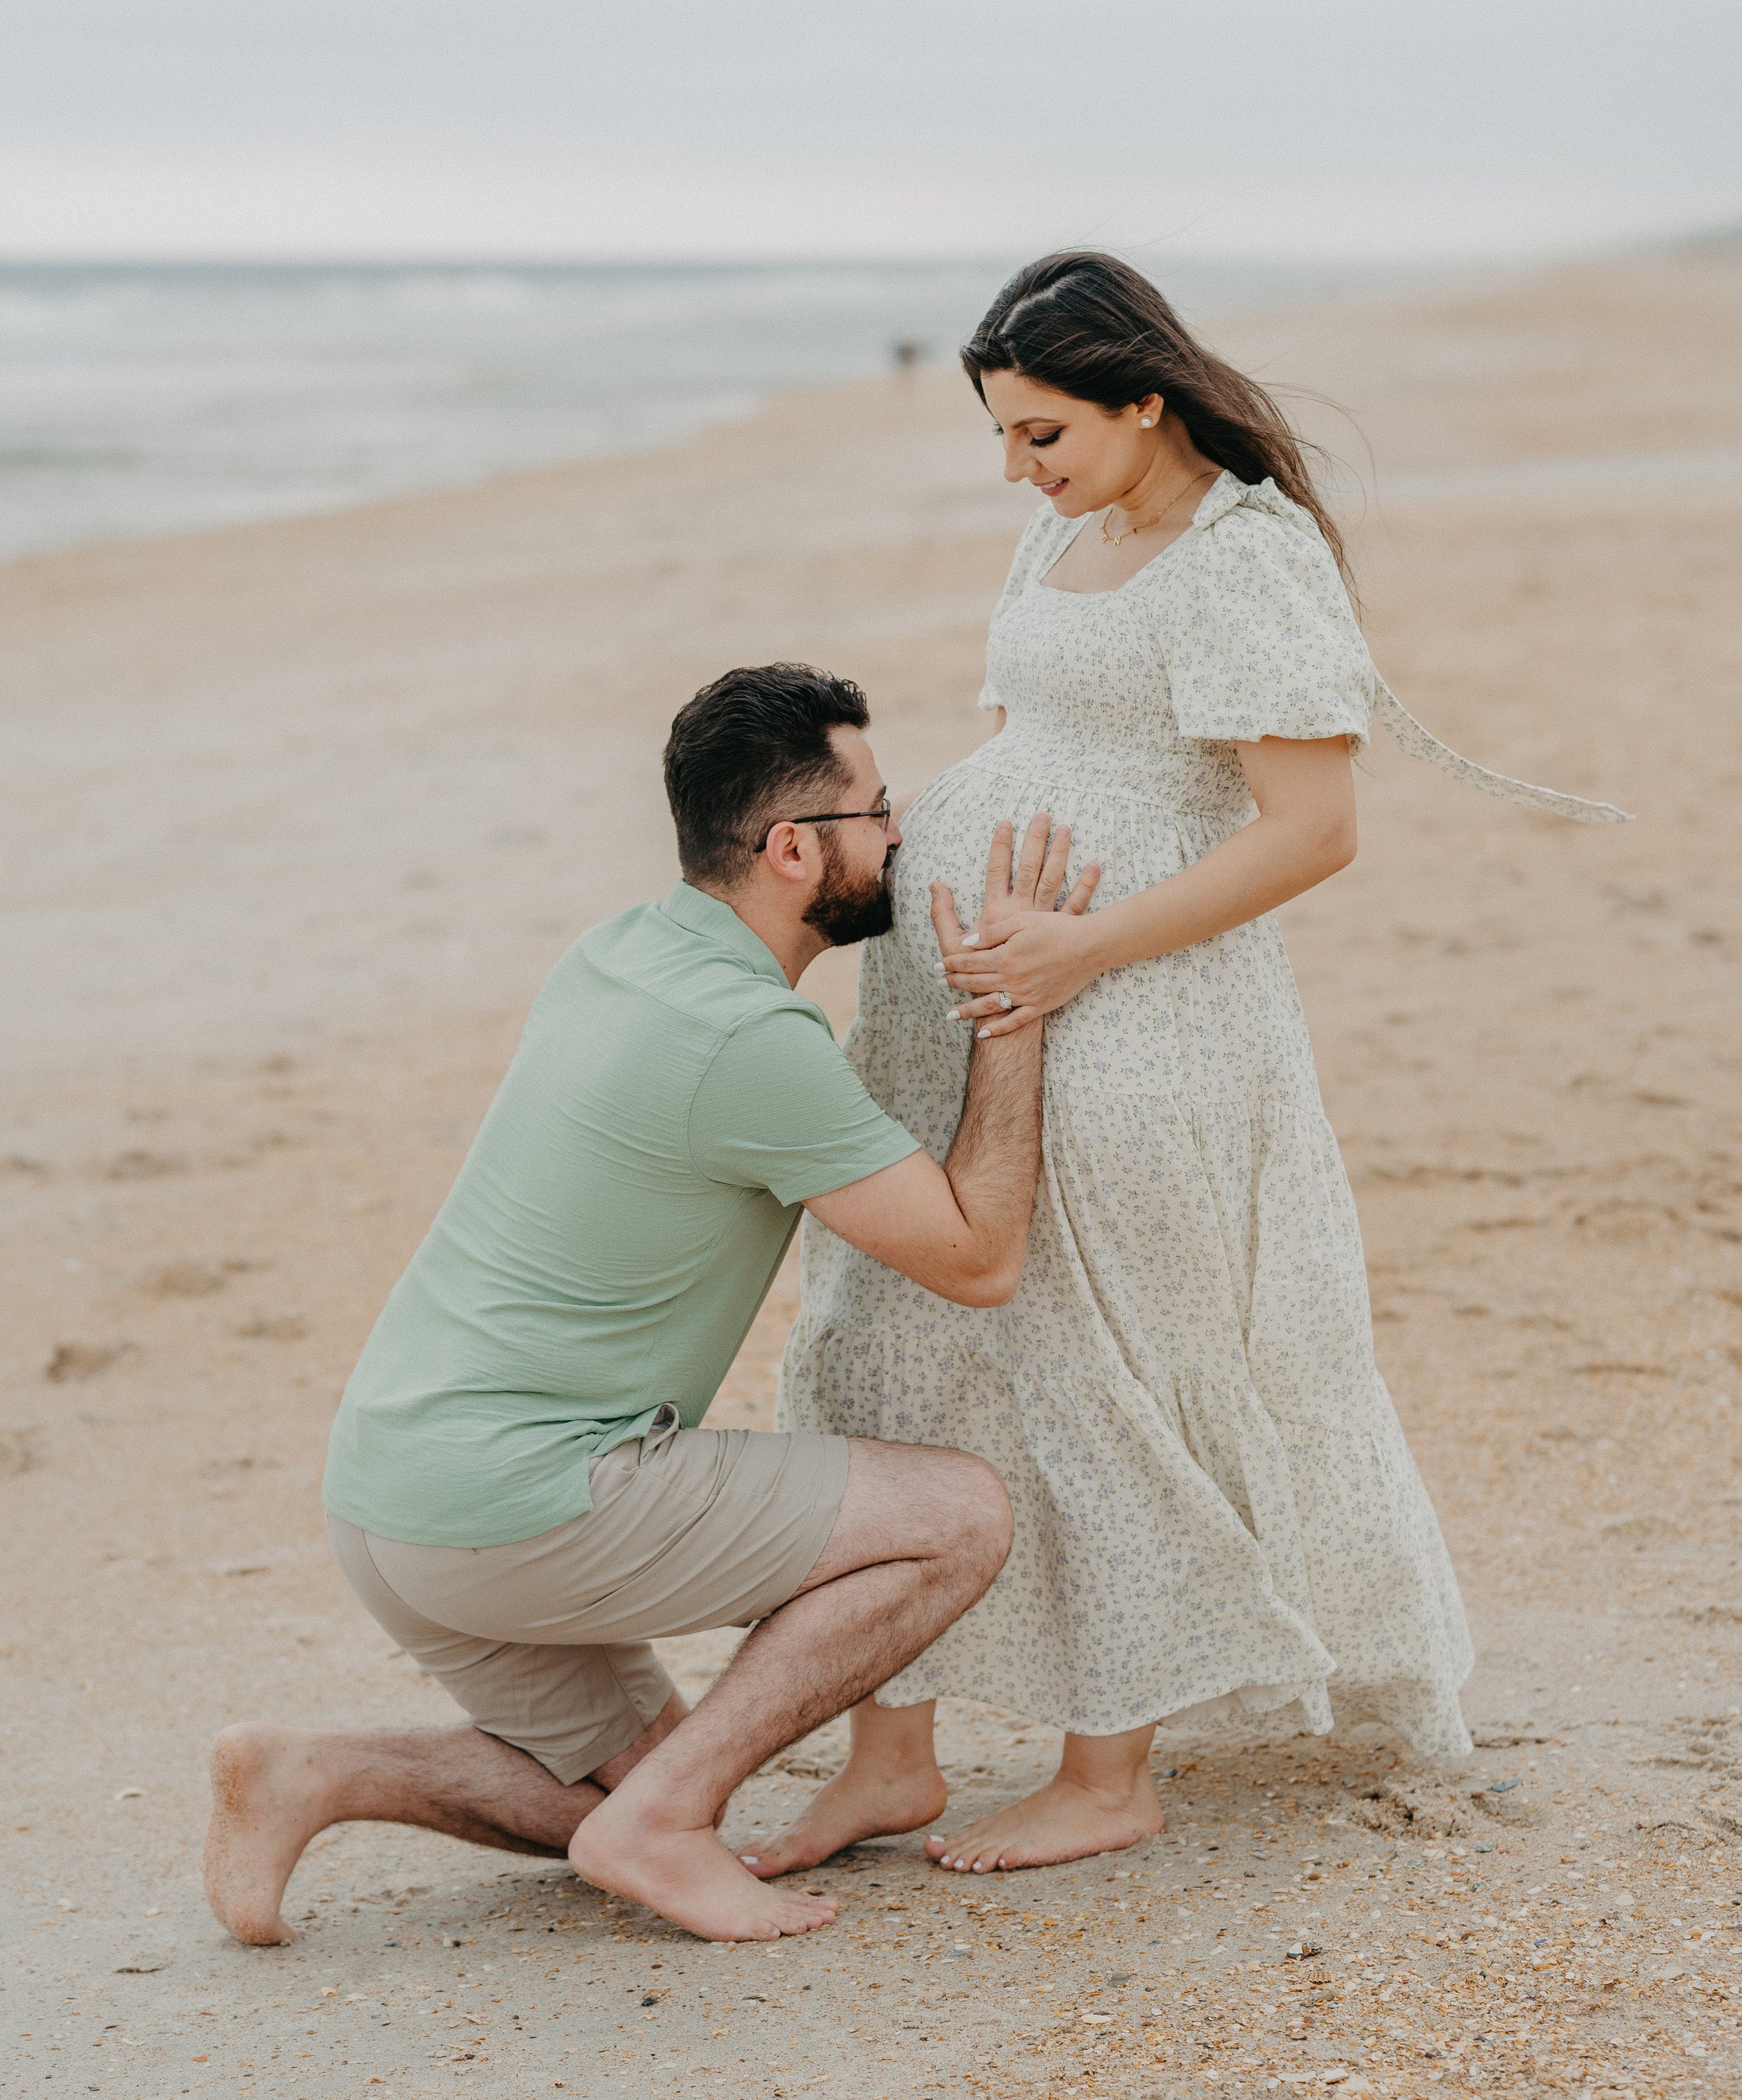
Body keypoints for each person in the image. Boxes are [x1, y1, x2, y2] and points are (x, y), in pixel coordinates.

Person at [760, 250, 1628, 1880]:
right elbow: (1039, 734)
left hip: (1138, 1009)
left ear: (1142, 401)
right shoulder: (1067, 526)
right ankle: (888, 1753)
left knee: (1104, 1360)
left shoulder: (1246, 559)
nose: (1014, 470)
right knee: (885, 1331)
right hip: (960, 994)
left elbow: (1313, 831)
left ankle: (1110, 1769)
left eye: (1040, 435)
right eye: (1003, 438)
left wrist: (1075, 948)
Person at [203, 664, 1099, 1946]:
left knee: (639, 1783)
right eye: (879, 810)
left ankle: (320, 1771)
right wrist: (1015, 1005)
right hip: (518, 1504)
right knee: (959, 1516)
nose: (902, 835)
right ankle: (661, 1824)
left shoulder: (620, 949)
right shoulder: (748, 1043)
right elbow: (978, 1256)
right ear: (794, 848)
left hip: (388, 1491)